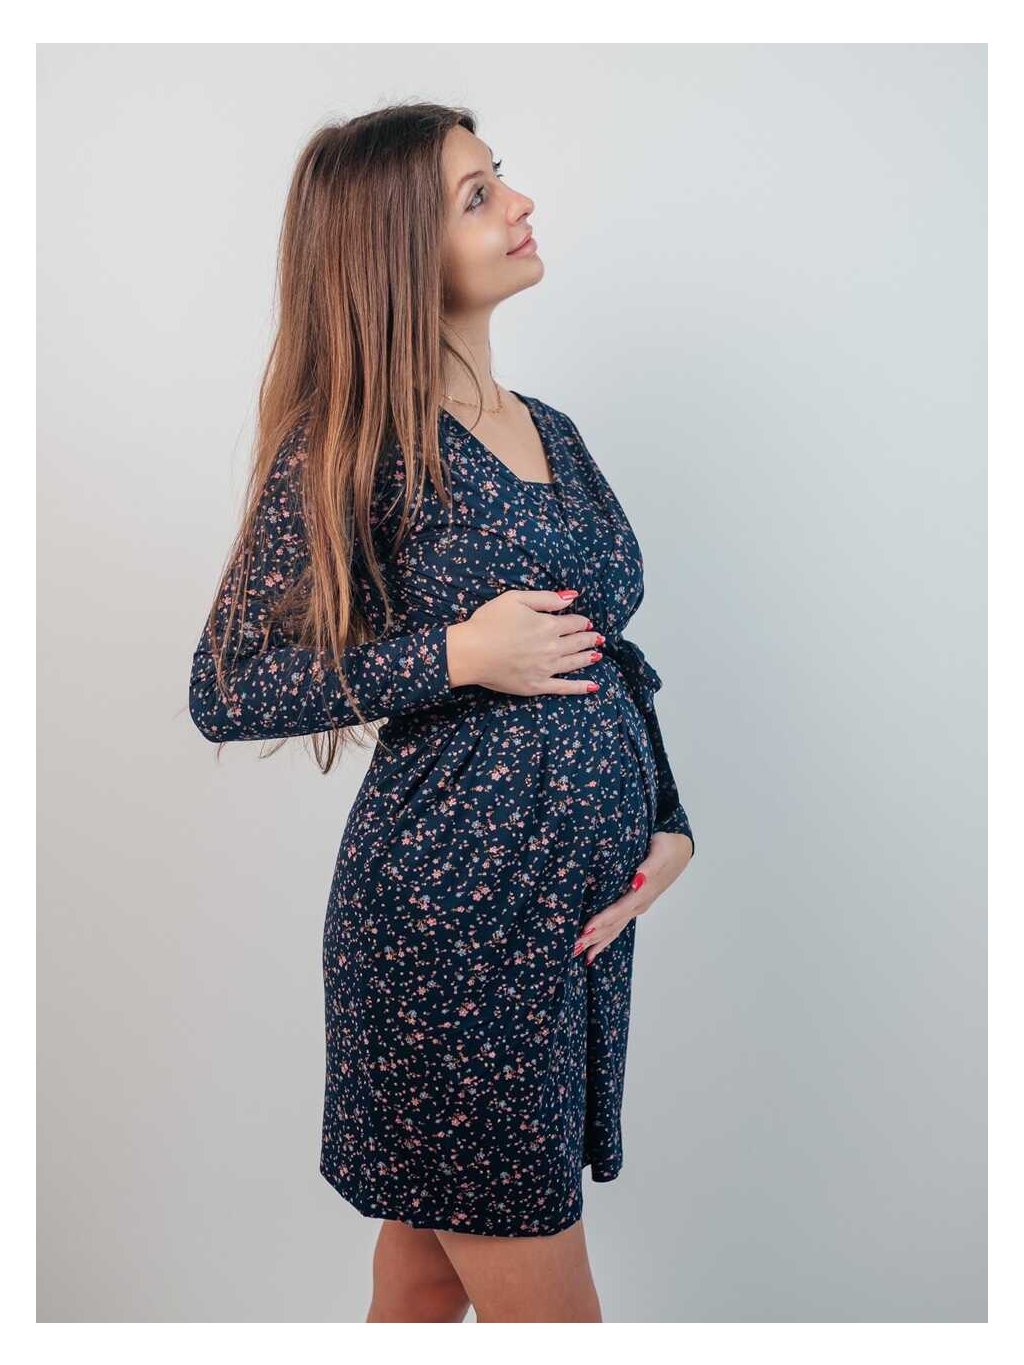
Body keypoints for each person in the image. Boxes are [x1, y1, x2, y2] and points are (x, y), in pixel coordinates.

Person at [188, 102, 695, 1324]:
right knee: (548, 1313)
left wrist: (668, 821)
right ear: (397, 247)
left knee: (422, 1281)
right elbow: (227, 686)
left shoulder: (552, 431)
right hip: (448, 931)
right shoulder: (350, 446)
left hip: (562, 926)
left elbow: (605, 654)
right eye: (478, 196)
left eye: (497, 178)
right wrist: (458, 652)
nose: (519, 204)